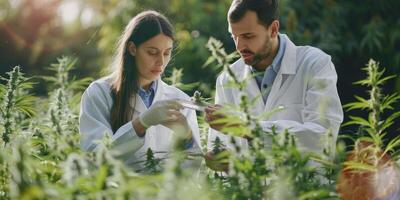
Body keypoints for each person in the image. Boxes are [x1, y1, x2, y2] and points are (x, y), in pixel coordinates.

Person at [205, 0, 343, 170]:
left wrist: (247, 128)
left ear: (273, 29)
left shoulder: (315, 64)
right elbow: (221, 146)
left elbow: (323, 137)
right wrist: (224, 163)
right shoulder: (227, 79)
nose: (239, 46)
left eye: (248, 36)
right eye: (234, 36)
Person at [79, 10, 201, 170]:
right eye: (152, 52)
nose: (161, 62)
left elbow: (193, 170)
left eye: (167, 53)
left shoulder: (178, 98)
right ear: (132, 49)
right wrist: (140, 124)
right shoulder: (99, 93)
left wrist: (187, 136)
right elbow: (95, 159)